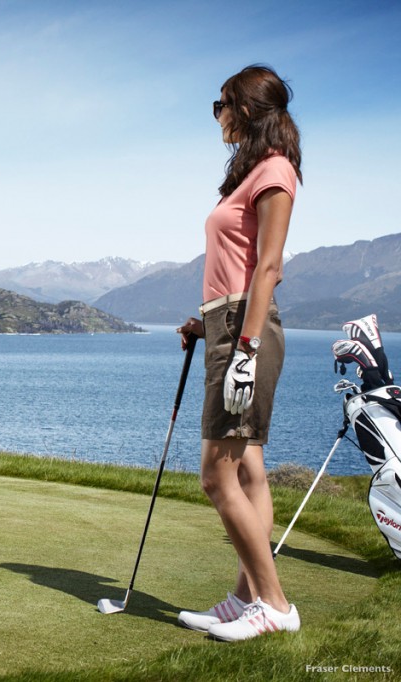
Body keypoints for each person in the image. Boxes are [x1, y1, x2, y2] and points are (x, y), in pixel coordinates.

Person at [175, 65, 302, 641]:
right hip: (226, 325)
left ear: (246, 108)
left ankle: (274, 606)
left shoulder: (275, 172)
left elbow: (268, 267)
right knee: (248, 470)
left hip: (245, 332)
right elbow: (233, 269)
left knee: (216, 477)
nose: (217, 115)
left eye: (220, 105)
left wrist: (244, 348)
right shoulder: (250, 172)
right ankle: (241, 600)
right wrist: (207, 324)